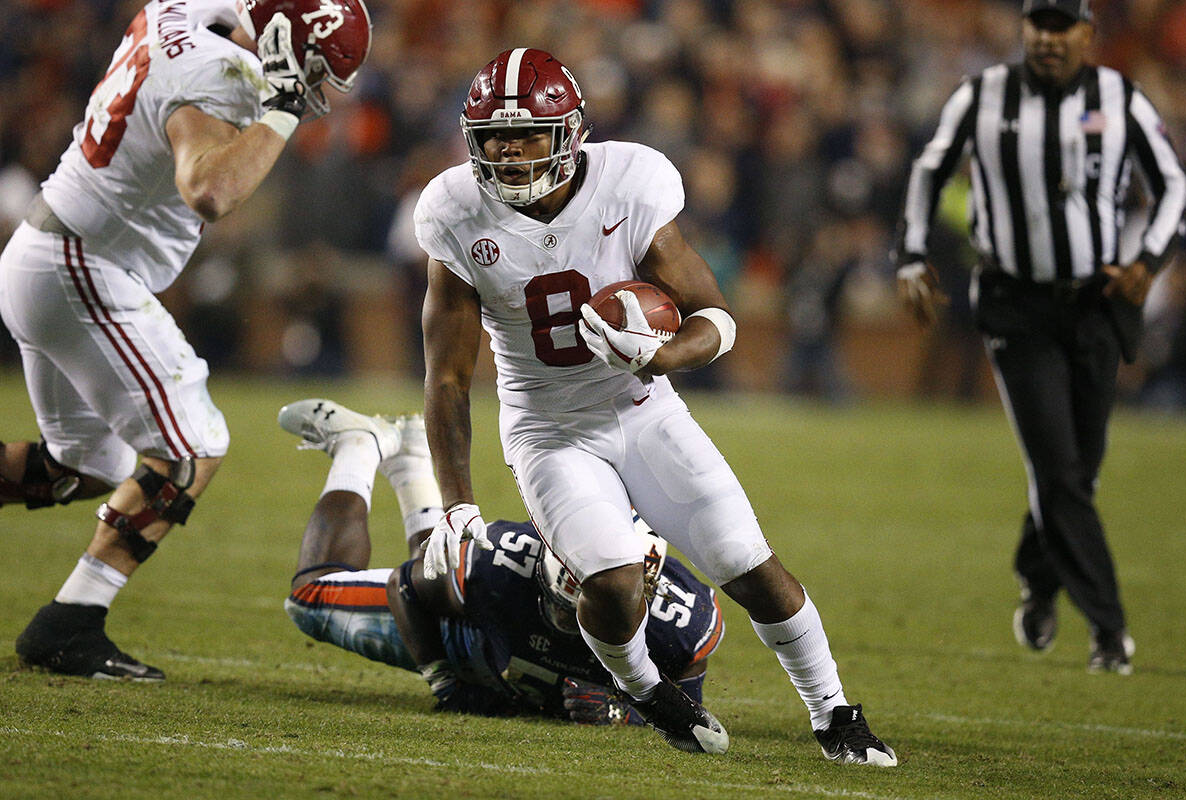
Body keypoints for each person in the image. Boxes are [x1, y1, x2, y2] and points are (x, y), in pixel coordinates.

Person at [414, 48, 896, 765]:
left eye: (527, 136)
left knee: (746, 559)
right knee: (610, 583)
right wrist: (455, 503)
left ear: (570, 134)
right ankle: (644, 687)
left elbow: (716, 318)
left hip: (643, 407)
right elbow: (448, 378)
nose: (509, 153)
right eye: (493, 139)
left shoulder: (627, 183)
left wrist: (659, 356)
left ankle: (834, 715)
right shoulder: (455, 211)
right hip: (549, 429)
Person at [0, 0, 372, 681]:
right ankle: (70, 621)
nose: (320, 96)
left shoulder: (190, 11)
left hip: (47, 248)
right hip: (85, 263)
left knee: (85, 467)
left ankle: (69, 617)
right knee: (193, 447)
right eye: (318, 77)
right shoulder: (224, 72)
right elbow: (208, 188)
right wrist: (281, 106)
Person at [895, 0, 1186, 674]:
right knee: (1057, 468)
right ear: (1024, 28)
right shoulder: (982, 95)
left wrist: (1149, 263)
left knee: (1078, 468)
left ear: (1088, 33)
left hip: (1095, 302)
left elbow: (1173, 185)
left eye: (1062, 27)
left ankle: (1038, 576)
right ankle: (1109, 629)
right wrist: (912, 255)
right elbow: (928, 169)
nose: (1047, 38)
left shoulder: (1121, 98)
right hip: (1014, 304)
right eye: (1038, 24)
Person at [276, 398, 725, 724]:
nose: (573, 621)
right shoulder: (504, 559)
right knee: (310, 601)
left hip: (504, 645)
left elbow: (684, 716)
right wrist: (444, 678)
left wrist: (619, 711)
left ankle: (410, 462)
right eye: (563, 605)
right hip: (474, 639)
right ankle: (361, 446)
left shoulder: (685, 624)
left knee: (450, 580)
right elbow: (408, 586)